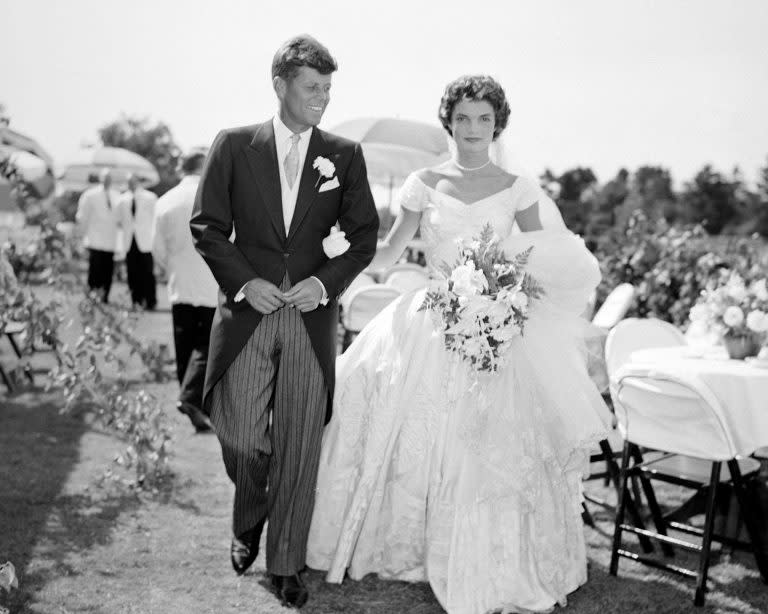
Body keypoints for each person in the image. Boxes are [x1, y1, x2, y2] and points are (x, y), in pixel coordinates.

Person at [306, 75, 612, 614]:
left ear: (498, 124)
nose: (474, 129)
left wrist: (505, 297)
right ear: (449, 121)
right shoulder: (424, 182)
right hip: (429, 318)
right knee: (389, 410)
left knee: (495, 441)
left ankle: (495, 554)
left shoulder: (518, 187)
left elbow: (545, 255)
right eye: (464, 118)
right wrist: (333, 250)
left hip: (497, 325)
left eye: (484, 119)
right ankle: (407, 543)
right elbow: (390, 251)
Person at [190, 35, 379, 609]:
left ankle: (287, 564)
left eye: (327, 88)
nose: (321, 97)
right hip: (248, 313)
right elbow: (208, 227)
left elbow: (364, 237)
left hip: (311, 318)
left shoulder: (344, 155)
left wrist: (323, 284)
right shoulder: (232, 145)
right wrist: (247, 281)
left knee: (299, 442)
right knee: (243, 434)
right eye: (310, 87)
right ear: (280, 85)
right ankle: (250, 512)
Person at [152, 151, 217, 433]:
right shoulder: (216, 196)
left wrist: (173, 266)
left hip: (179, 284)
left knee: (185, 346)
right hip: (211, 281)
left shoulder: (165, 201)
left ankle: (189, 399)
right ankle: (192, 400)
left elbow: (156, 250)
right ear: (204, 167)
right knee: (207, 344)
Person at [75, 168, 128, 303]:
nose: (107, 181)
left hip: (110, 241)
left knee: (108, 272)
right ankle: (92, 296)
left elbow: (121, 219)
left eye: (109, 178)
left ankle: (104, 296)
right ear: (100, 179)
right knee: (95, 271)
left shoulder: (117, 195)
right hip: (95, 240)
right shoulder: (90, 195)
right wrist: (81, 236)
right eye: (105, 178)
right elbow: (82, 217)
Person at [119, 173, 158, 310]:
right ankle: (136, 301)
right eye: (129, 181)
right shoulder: (122, 199)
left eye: (133, 181)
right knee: (132, 273)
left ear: (138, 181)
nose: (131, 184)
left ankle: (150, 301)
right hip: (130, 241)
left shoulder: (150, 197)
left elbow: (155, 219)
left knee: (147, 273)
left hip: (145, 241)